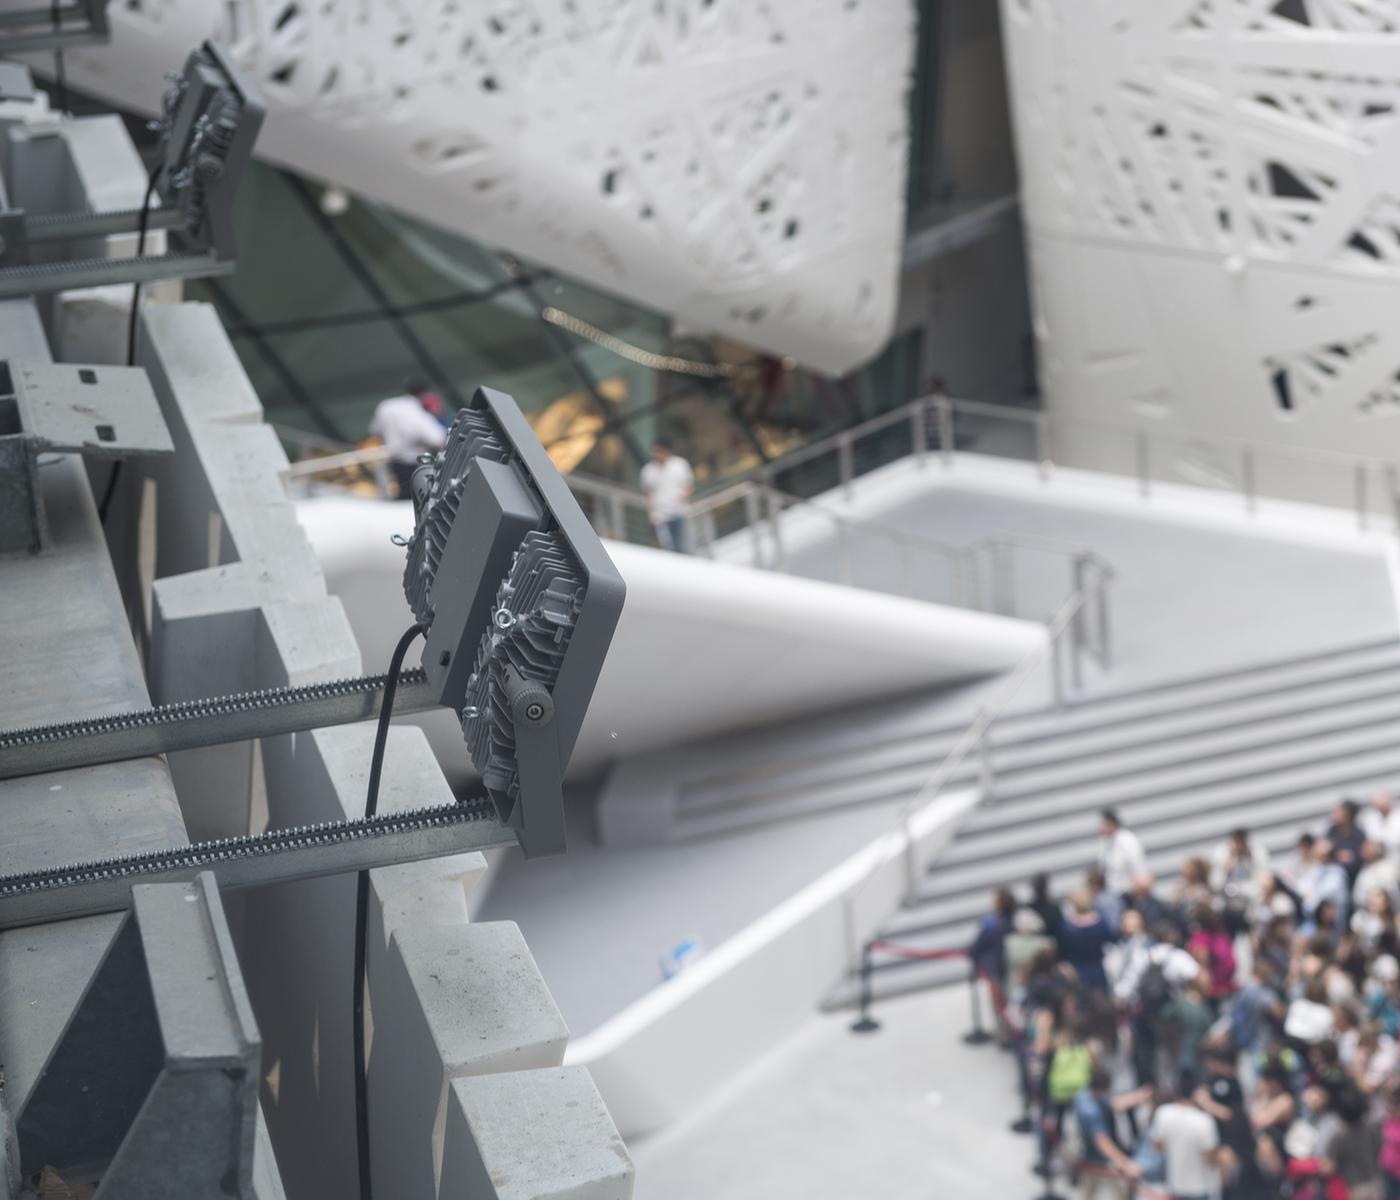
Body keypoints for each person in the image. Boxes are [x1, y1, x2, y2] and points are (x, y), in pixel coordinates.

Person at [1071, 1066, 1146, 1199]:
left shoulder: (1083, 1094)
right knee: (1121, 1191)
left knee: (1088, 1192)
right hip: (1099, 1161)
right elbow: (1102, 1142)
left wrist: (1140, 1096)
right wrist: (1125, 1163)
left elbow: (1115, 1103)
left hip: (1089, 1157)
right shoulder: (1091, 1112)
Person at [369, 377, 447, 499]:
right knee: (415, 497)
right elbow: (438, 440)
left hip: (394, 461)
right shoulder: (418, 413)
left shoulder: (386, 406)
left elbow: (376, 432)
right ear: (424, 394)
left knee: (401, 495)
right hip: (414, 463)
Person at [1149, 1070, 1221, 1200]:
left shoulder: (1163, 1114)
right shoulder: (1205, 1120)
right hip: (1200, 1188)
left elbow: (1157, 1147)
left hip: (1174, 1186)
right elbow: (1210, 1159)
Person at [639, 439, 693, 552]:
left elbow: (688, 485)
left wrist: (681, 497)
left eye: (660, 451)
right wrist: (651, 512)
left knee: (683, 545)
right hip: (661, 516)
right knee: (666, 549)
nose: (657, 454)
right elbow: (646, 493)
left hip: (679, 512)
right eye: (655, 451)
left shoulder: (679, 465)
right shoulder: (648, 470)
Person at [1058, 889, 1116, 993]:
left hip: (1077, 972)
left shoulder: (1066, 928)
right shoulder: (1101, 923)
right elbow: (1112, 941)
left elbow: (1063, 952)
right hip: (1098, 968)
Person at [1099, 809, 1147, 899]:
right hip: (1112, 893)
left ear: (1111, 824)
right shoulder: (1105, 843)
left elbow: (1138, 870)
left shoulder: (1128, 842)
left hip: (1128, 894)